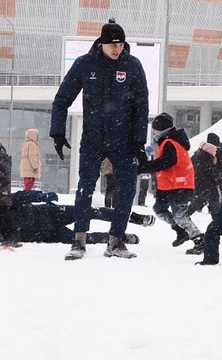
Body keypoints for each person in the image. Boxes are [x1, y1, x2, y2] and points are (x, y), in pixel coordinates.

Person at [50, 19, 149, 260]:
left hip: (123, 140)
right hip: (93, 138)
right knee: (85, 186)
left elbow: (141, 106)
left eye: (121, 44)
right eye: (113, 45)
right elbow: (62, 98)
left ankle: (116, 240)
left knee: (127, 188)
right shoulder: (85, 64)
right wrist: (58, 132)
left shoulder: (133, 65)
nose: (117, 49)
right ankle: (79, 240)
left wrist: (138, 141)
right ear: (102, 44)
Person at [138, 112, 204, 255]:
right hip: (169, 186)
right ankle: (181, 231)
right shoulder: (168, 142)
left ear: (161, 129)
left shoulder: (169, 142)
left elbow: (166, 162)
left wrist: (145, 167)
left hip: (179, 186)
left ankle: (199, 239)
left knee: (180, 216)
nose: (153, 132)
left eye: (155, 128)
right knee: (159, 209)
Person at [0, 189, 154, 245]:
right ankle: (121, 238)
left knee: (90, 211)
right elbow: (0, 239)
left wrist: (40, 196)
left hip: (50, 214)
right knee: (85, 239)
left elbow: (19, 196)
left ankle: (133, 217)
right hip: (48, 235)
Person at [0, 121, 21, 248]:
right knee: (1, 212)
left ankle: (12, 237)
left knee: (0, 212)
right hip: (1, 188)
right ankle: (11, 236)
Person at [188, 141, 222, 218]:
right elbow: (215, 175)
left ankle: (182, 217)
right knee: (215, 205)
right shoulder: (207, 161)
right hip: (209, 187)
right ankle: (217, 223)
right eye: (214, 152)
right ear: (210, 152)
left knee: (195, 204)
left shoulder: (195, 158)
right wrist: (219, 178)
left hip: (197, 185)